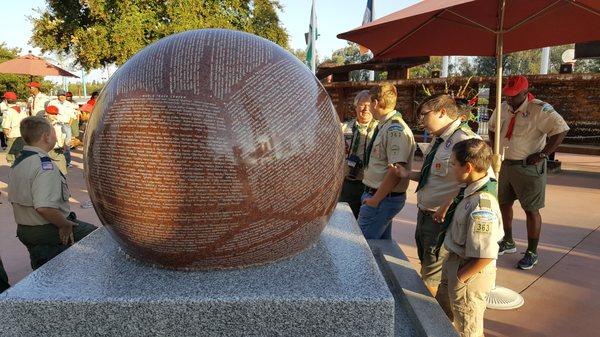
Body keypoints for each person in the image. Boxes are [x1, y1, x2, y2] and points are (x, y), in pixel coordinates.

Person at [390, 93, 484, 296]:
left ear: (442, 112)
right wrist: (407, 174)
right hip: (426, 214)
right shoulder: (440, 139)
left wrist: (448, 205)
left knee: (431, 276)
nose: (421, 121)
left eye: (424, 114)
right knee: (428, 266)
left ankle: (430, 321)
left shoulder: (466, 141)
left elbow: (482, 184)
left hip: (442, 221)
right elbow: (434, 175)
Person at [489, 75, 569, 270]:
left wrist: (543, 154)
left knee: (531, 210)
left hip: (528, 167)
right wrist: (495, 149)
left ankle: (532, 252)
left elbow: (561, 130)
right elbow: (492, 128)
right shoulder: (503, 108)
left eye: (514, 95)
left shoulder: (540, 109)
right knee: (503, 204)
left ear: (525, 92)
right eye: (507, 94)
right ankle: (508, 241)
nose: (509, 99)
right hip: (505, 165)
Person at [8, 116, 97, 270]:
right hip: (45, 228)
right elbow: (44, 207)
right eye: (54, 133)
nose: (56, 137)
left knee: (42, 271)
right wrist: (64, 225)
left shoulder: (21, 160)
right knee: (96, 236)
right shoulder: (44, 165)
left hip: (25, 229)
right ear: (46, 137)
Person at [435, 139, 503, 337]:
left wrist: (460, 279)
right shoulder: (470, 190)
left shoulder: (482, 205)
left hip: (468, 272)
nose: (452, 169)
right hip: (456, 264)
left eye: (454, 164)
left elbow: (486, 255)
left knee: (467, 329)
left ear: (469, 167)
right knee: (443, 317)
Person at [358, 83, 415, 239]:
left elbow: (396, 170)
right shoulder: (384, 126)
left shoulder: (394, 130)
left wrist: (375, 200)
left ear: (375, 103)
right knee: (380, 246)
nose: (368, 108)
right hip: (380, 197)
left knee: (362, 245)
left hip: (381, 198)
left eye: (369, 103)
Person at [339, 90, 378, 218]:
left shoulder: (380, 129)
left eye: (369, 104)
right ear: (355, 106)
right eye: (362, 105)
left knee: (365, 222)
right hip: (347, 183)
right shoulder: (345, 128)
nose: (366, 109)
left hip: (369, 184)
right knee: (345, 218)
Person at [48, 90, 76, 167]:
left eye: (63, 95)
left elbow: (73, 116)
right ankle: (52, 160)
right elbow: (48, 112)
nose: (62, 97)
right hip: (55, 125)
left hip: (66, 125)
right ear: (58, 96)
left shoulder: (69, 104)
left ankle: (67, 162)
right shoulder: (52, 103)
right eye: (60, 95)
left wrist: (68, 125)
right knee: (54, 143)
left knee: (66, 145)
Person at [2, 92, 27, 164]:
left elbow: (6, 128)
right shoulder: (22, 110)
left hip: (12, 137)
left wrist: (7, 136)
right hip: (22, 136)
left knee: (11, 158)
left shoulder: (7, 112)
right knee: (20, 156)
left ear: (6, 100)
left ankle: (14, 173)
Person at [43, 105, 69, 175]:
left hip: (58, 151)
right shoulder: (41, 124)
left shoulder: (59, 124)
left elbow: (63, 136)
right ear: (46, 113)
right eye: (52, 114)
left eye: (56, 114)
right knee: (47, 173)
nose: (54, 116)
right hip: (45, 152)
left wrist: (64, 144)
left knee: (62, 173)